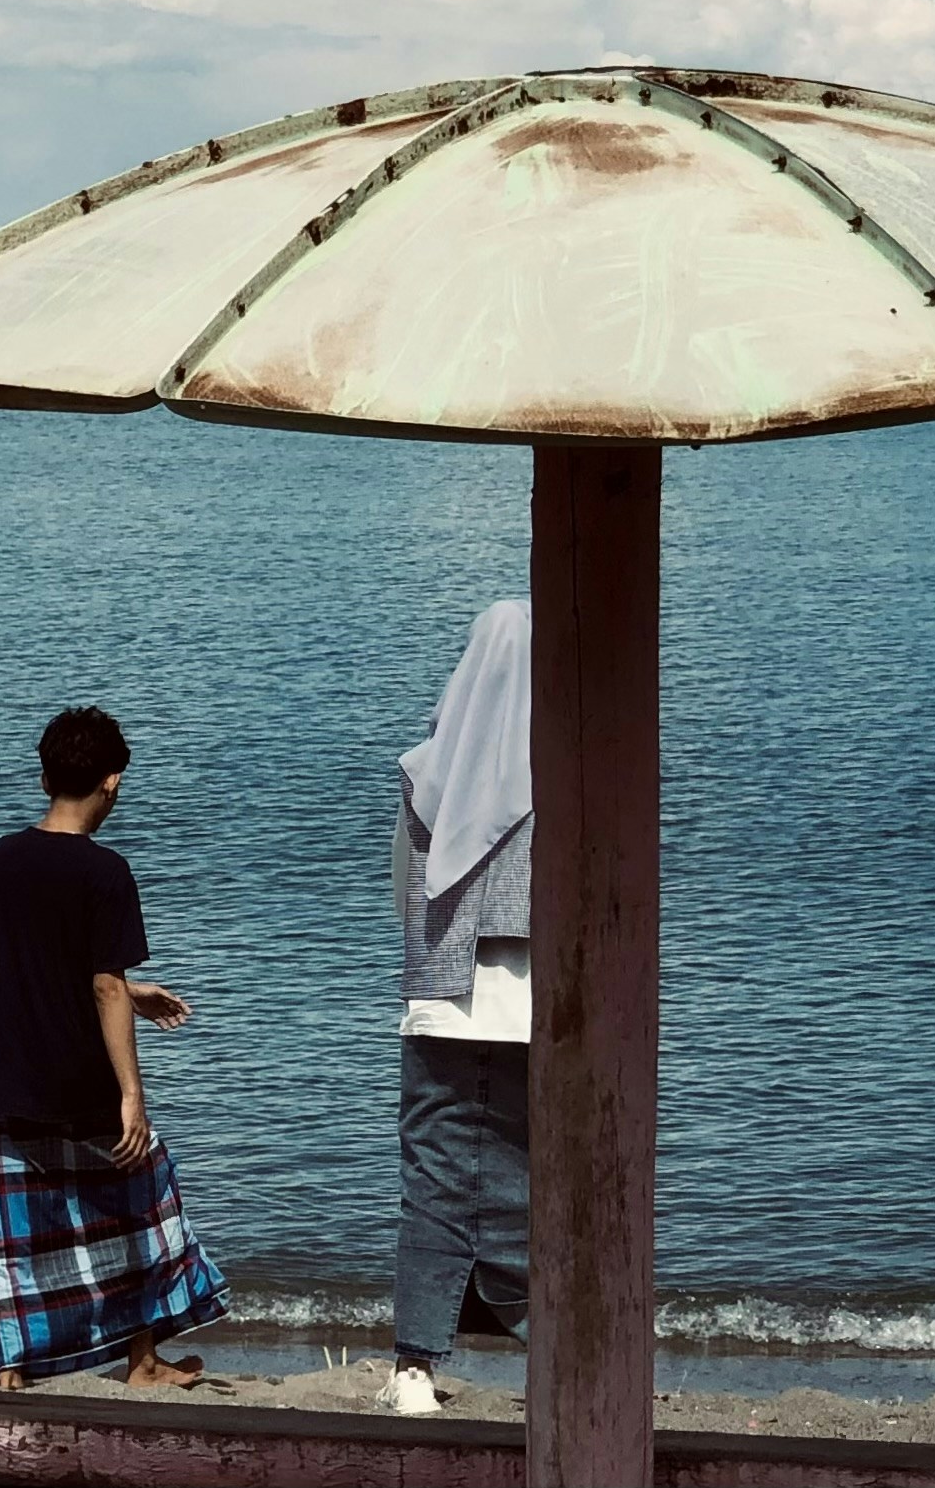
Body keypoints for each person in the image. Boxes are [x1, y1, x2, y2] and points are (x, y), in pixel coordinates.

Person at [0, 706, 228, 1389]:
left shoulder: (2, 857)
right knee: (142, 1203)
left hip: (8, 1075)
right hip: (79, 1080)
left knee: (21, 1230)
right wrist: (132, 1095)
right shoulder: (105, 870)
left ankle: (12, 1371)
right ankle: (140, 1361)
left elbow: (24, 960)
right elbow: (100, 985)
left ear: (45, 775)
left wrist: (130, 987)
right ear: (112, 781)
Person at [385, 600, 537, 1416]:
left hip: (443, 1003)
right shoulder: (565, 769)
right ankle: (546, 1338)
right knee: (536, 1176)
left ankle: (415, 1366)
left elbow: (404, 896)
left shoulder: (426, 771)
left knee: (434, 1178)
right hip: (539, 1008)